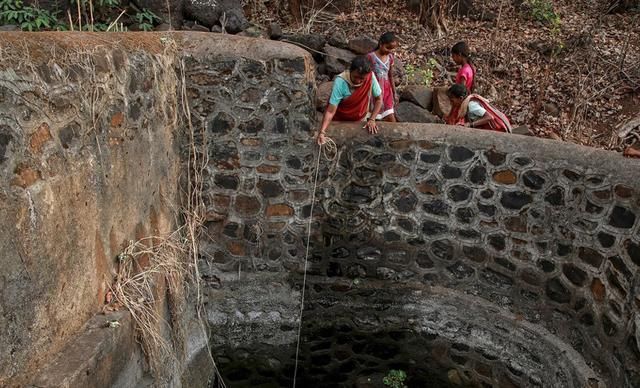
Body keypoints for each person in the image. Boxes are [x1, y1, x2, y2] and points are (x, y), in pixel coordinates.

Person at [316, 56, 383, 145]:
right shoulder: (340, 82)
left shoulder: (370, 77)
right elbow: (331, 110)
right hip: (339, 120)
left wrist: (372, 119)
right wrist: (322, 132)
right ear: (350, 71)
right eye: (356, 77)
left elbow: (379, 99)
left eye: (362, 79)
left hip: (360, 119)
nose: (358, 81)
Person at [445, 84, 512, 133]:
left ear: (461, 98)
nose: (451, 103)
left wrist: (470, 125)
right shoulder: (466, 104)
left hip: (496, 130)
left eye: (452, 100)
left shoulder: (471, 105)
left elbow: (489, 117)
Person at [367, 32, 399, 122]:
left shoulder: (390, 58)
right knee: (373, 115)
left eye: (392, 49)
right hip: (373, 89)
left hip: (386, 90)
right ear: (380, 44)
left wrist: (394, 92)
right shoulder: (370, 57)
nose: (389, 50)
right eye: (387, 47)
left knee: (390, 115)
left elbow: (390, 76)